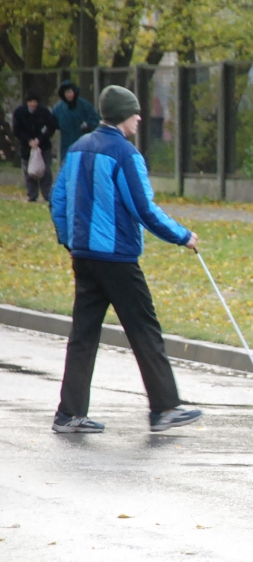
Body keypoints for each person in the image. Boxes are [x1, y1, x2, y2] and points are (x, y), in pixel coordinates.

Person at [49, 85, 203, 434]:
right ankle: (165, 408)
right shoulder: (125, 153)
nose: (138, 117)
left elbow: (58, 201)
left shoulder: (77, 149)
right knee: (145, 329)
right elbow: (144, 209)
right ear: (123, 115)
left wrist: (68, 241)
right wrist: (182, 236)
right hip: (117, 258)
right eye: (134, 112)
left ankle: (68, 414)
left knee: (83, 335)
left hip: (84, 257)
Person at [12, 92, 58, 202]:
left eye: (35, 102)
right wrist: (28, 140)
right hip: (26, 147)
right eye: (31, 102)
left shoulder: (44, 112)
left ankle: (47, 194)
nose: (33, 104)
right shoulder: (19, 113)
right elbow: (17, 130)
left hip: (43, 146)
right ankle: (32, 195)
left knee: (45, 171)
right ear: (27, 102)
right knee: (29, 172)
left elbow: (51, 126)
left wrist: (40, 139)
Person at [52, 80, 99, 160]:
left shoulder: (84, 105)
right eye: (66, 93)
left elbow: (96, 120)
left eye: (70, 92)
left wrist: (88, 125)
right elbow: (51, 123)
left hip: (84, 143)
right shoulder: (58, 109)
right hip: (67, 144)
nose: (69, 95)